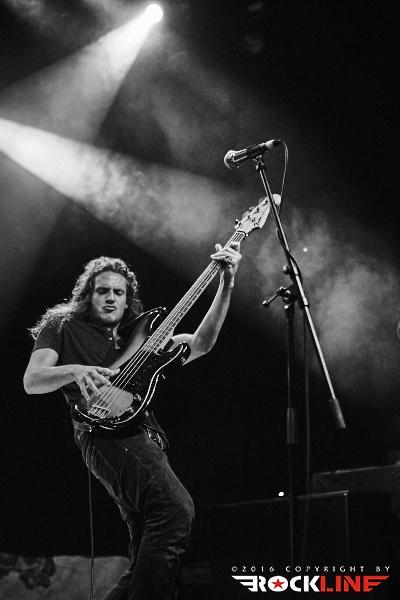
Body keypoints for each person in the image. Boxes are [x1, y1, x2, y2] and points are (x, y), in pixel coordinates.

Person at [23, 241, 241, 600]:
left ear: (128, 300)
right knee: (176, 510)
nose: (111, 298)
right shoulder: (63, 324)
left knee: (144, 555)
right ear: (87, 295)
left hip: (147, 435)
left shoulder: (141, 338)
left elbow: (201, 343)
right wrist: (75, 370)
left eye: (119, 292)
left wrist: (227, 283)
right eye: (102, 291)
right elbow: (32, 380)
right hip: (104, 431)